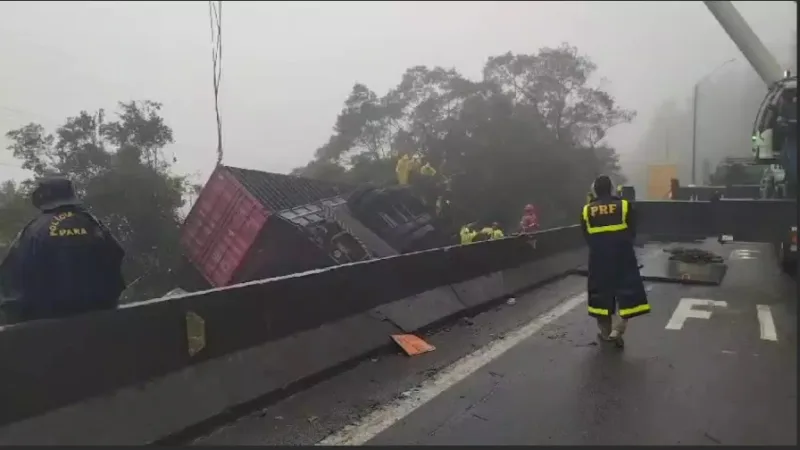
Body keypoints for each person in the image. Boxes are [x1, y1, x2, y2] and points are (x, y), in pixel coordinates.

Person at [0, 176, 126, 323]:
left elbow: (12, 275)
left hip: (50, 326)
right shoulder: (94, 224)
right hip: (102, 318)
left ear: (43, 199)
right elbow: (116, 254)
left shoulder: (33, 231)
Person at [580, 175, 650, 348]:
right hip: (622, 255)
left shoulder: (587, 210)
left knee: (599, 295)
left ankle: (605, 331)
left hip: (599, 259)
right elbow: (632, 231)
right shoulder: (625, 205)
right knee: (628, 291)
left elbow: (586, 236)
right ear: (611, 188)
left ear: (595, 189)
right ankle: (618, 329)